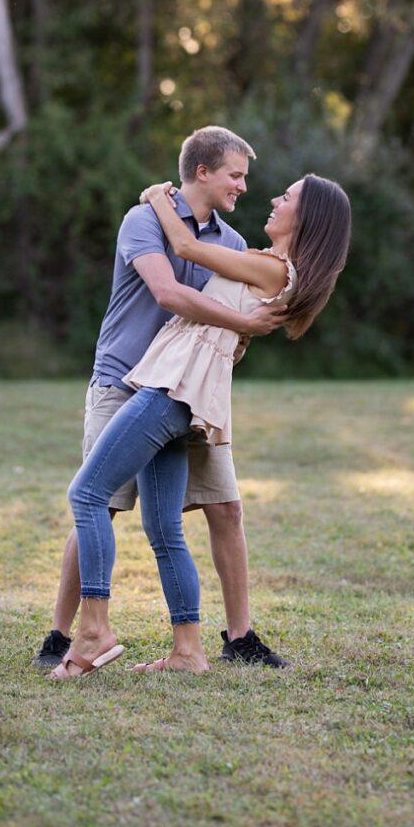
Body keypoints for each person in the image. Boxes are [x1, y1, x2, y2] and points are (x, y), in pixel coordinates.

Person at [46, 170, 353, 679]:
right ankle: (188, 651)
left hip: (172, 389)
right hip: (185, 398)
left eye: (288, 197)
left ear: (309, 219)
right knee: (164, 527)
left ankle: (94, 630)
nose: (274, 199)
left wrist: (152, 196)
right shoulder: (266, 264)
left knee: (87, 496)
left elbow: (185, 246)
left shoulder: (271, 269)